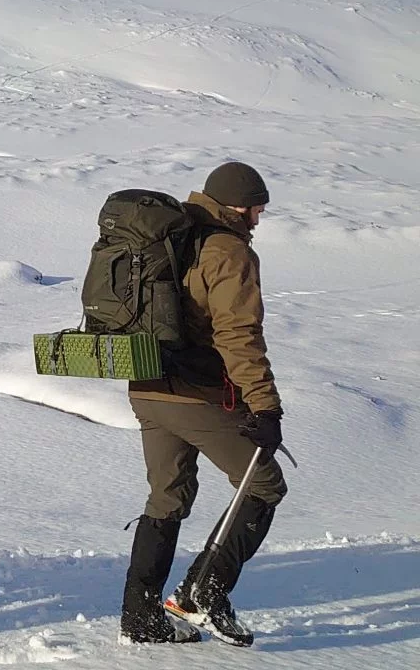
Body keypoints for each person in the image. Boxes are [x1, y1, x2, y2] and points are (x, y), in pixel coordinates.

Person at [120, 162, 286, 647]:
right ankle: (202, 594)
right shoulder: (227, 251)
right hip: (193, 394)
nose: (258, 219)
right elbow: (239, 335)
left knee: (166, 499)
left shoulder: (170, 236)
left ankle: (141, 617)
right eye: (257, 209)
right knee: (264, 485)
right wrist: (265, 405)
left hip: (147, 386)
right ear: (239, 205)